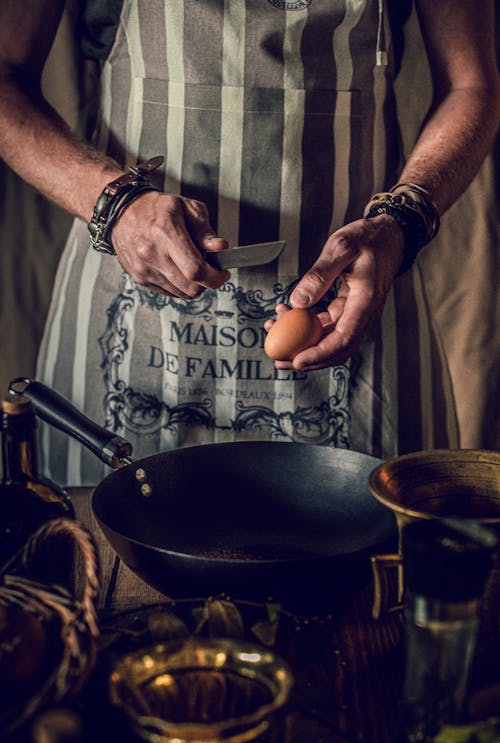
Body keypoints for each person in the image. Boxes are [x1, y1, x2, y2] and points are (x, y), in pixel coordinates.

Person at [0, 0, 498, 486]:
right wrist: (111, 203)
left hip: (357, 308)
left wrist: (401, 222)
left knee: (376, 556)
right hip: (135, 327)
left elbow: (471, 85)